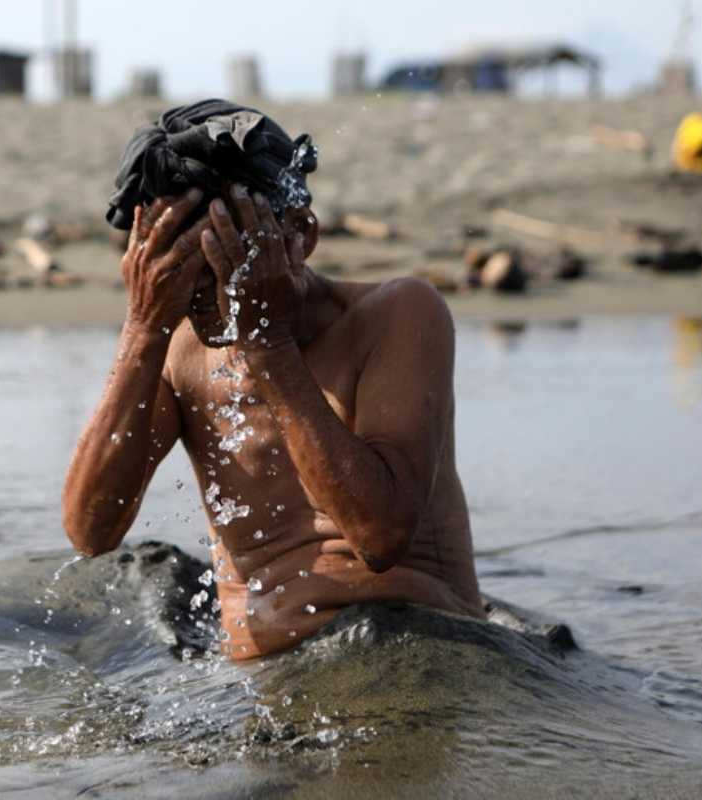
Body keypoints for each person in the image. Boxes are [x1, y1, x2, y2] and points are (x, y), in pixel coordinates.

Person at [62, 100, 483, 660]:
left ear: (301, 235)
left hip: (417, 644)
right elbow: (91, 532)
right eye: (184, 272)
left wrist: (268, 342)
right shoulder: (175, 348)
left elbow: (379, 537)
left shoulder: (398, 314)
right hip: (263, 674)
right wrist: (143, 328)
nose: (207, 298)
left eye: (226, 263)